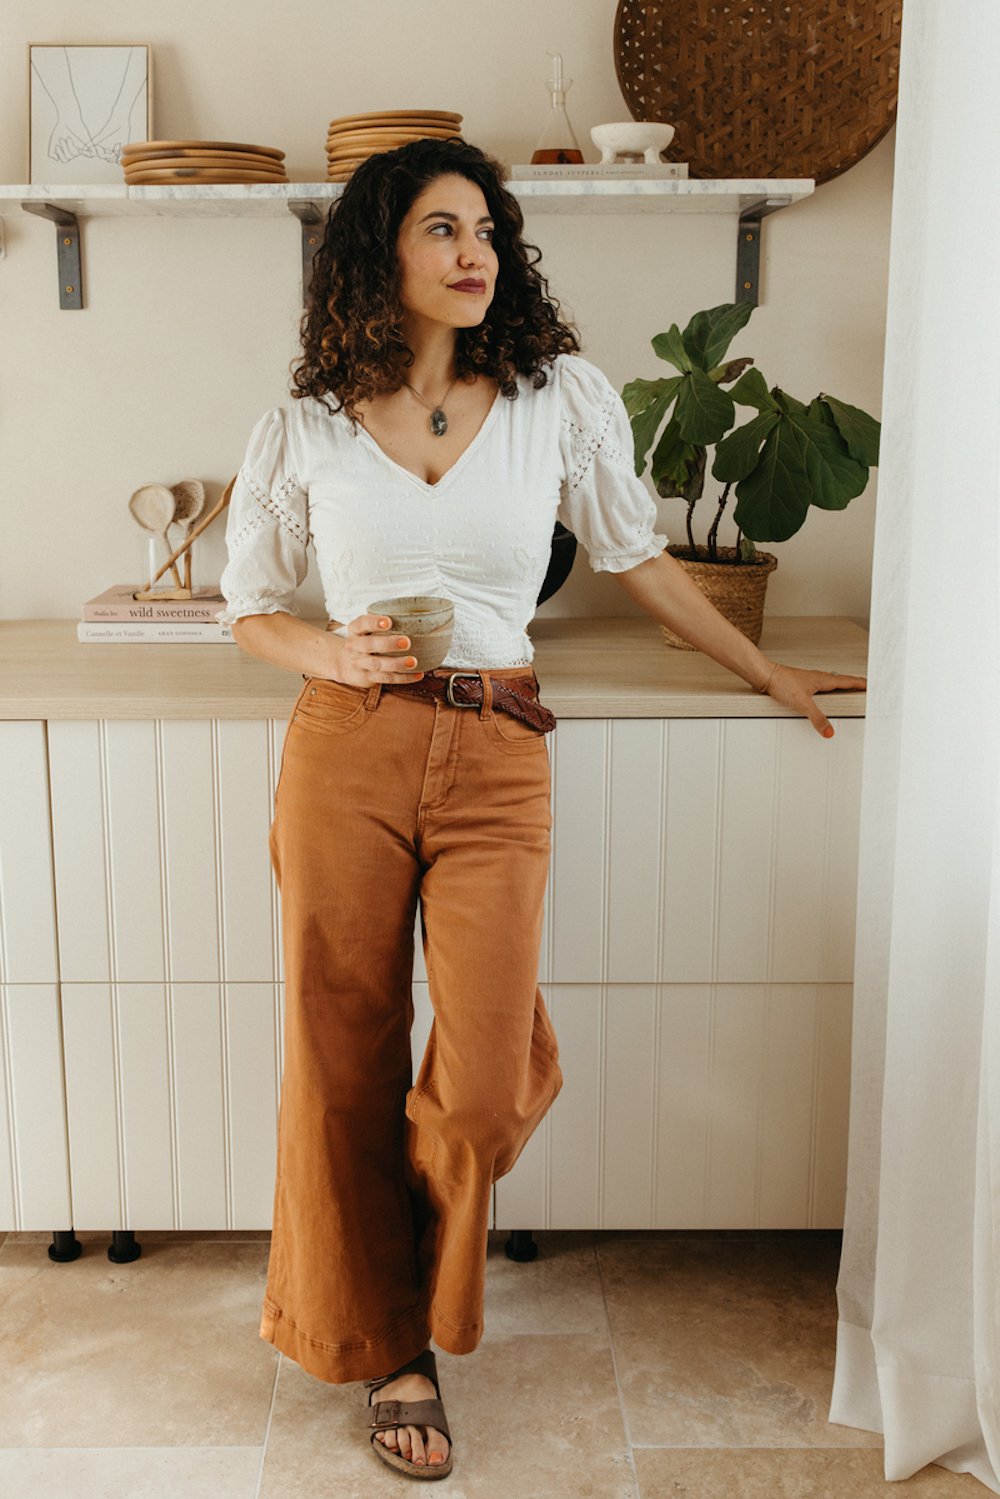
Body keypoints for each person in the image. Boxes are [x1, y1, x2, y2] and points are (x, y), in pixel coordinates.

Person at [217, 135, 867, 1482]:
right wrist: (327, 652)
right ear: (378, 254)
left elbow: (639, 556)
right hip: (345, 744)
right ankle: (400, 1345)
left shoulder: (556, 396)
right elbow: (248, 608)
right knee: (340, 1051)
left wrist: (765, 665)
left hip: (500, 745)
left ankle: (394, 1264)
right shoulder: (311, 420)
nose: (475, 255)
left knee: (487, 1067)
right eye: (443, 229)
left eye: (489, 232)